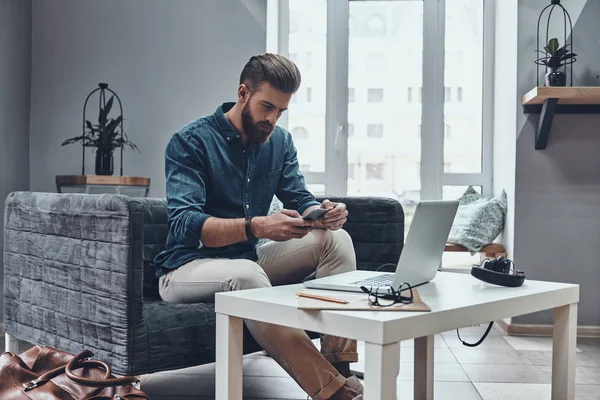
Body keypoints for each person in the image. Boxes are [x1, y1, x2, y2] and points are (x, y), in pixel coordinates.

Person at [154, 53, 363, 400]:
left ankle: (337, 364)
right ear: (242, 94)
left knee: (335, 239)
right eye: (267, 107)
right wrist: (257, 227)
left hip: (247, 258)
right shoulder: (190, 142)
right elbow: (184, 224)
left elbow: (297, 193)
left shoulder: (279, 142)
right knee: (248, 276)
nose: (272, 119)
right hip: (185, 267)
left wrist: (321, 213)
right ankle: (331, 391)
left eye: (280, 111)